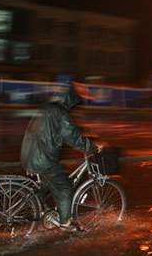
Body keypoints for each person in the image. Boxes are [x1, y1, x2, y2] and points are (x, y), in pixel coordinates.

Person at [21, 83, 99, 232]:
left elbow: (58, 130)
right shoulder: (59, 112)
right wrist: (92, 148)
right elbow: (72, 136)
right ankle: (65, 223)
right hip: (42, 158)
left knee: (49, 182)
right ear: (69, 98)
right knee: (64, 185)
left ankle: (43, 210)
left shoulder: (48, 106)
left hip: (29, 153)